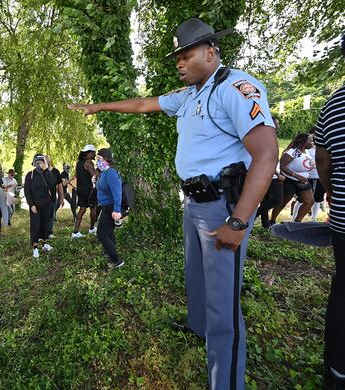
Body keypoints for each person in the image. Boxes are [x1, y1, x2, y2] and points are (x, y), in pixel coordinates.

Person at [69, 18, 278, 390]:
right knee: (195, 279)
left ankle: (227, 382)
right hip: (194, 205)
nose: (179, 64)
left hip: (222, 208)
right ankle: (198, 327)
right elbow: (144, 103)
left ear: (211, 52)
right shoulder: (191, 94)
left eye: (186, 55)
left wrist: (239, 222)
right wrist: (98, 106)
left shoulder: (236, 88)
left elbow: (266, 156)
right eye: (176, 58)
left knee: (223, 306)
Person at [313, 32, 345, 389]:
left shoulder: (334, 104)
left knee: (343, 292)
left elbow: (324, 159)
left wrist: (335, 190)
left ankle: (336, 371)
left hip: (344, 217)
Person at [269, 133, 315, 223]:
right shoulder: (293, 151)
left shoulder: (307, 152)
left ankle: (296, 222)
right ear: (303, 142)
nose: (312, 142)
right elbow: (282, 166)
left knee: (309, 202)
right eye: (310, 140)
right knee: (282, 203)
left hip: (303, 182)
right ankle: (272, 221)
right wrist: (296, 175)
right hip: (290, 181)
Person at [94, 149, 124, 268]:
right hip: (105, 206)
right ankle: (109, 251)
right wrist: (94, 181)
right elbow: (101, 187)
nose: (97, 162)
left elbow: (117, 192)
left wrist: (117, 210)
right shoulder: (103, 172)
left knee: (101, 234)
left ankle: (116, 260)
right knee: (109, 231)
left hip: (111, 207)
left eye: (100, 159)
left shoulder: (111, 172)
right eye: (97, 159)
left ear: (107, 160)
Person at [24, 154, 57, 258]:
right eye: (38, 162)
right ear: (34, 163)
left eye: (42, 162)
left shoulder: (47, 173)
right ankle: (35, 248)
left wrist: (46, 170)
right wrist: (31, 204)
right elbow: (27, 191)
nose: (40, 164)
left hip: (47, 204)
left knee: (46, 225)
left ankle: (45, 243)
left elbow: (53, 183)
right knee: (35, 226)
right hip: (35, 206)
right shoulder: (30, 175)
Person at [256, 117, 285, 228]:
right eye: (276, 123)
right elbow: (266, 159)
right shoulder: (265, 138)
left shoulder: (272, 137)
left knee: (266, 200)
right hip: (270, 174)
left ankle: (265, 224)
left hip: (271, 173)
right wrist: (277, 174)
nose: (278, 126)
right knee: (276, 200)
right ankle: (251, 217)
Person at [293, 127, 326, 222]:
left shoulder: (324, 147)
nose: (316, 136)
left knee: (318, 199)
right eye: (314, 134)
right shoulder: (306, 148)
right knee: (301, 199)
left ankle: (313, 218)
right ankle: (294, 217)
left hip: (320, 177)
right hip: (307, 177)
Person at [72, 145, 98, 238]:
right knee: (93, 209)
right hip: (88, 190)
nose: (95, 154)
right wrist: (101, 167)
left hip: (80, 189)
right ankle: (91, 228)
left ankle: (75, 232)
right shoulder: (88, 162)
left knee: (82, 210)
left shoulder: (78, 162)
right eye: (94, 153)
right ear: (90, 153)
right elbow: (95, 175)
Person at [45, 156, 64, 238]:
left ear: (49, 162)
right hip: (42, 198)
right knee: (43, 216)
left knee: (51, 216)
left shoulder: (56, 171)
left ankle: (50, 232)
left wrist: (61, 198)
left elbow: (60, 185)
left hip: (52, 197)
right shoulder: (41, 171)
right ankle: (42, 232)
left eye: (46, 162)